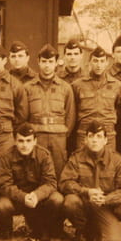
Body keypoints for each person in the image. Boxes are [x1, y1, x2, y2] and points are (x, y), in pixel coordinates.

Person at [60, 121, 121, 241]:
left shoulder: (117, 160)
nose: (94, 140)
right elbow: (65, 183)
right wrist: (86, 192)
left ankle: (96, 230)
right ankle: (83, 230)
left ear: (105, 140)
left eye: (99, 136)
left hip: (104, 206)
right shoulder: (76, 158)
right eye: (91, 136)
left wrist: (106, 199)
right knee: (70, 202)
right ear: (85, 140)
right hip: (84, 203)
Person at [0, 123, 64, 241]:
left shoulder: (44, 155)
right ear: (15, 141)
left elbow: (51, 182)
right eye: (21, 141)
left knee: (57, 199)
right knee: (3, 205)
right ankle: (5, 230)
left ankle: (46, 229)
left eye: (28, 141)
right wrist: (23, 197)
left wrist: (37, 195)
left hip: (38, 199)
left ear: (35, 141)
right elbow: (4, 185)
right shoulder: (6, 157)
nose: (25, 145)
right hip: (16, 199)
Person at [23, 44, 75, 177]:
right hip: (36, 136)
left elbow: (70, 116)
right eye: (44, 61)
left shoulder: (65, 88)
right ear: (38, 62)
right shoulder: (28, 87)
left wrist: (62, 133)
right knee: (36, 171)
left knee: (58, 171)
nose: (47, 65)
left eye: (51, 62)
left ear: (56, 63)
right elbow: (24, 116)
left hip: (58, 138)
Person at [72, 46, 121, 150]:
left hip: (108, 133)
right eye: (95, 61)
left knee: (108, 159)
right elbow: (72, 111)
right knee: (82, 159)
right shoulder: (78, 85)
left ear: (107, 63)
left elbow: (120, 110)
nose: (98, 65)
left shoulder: (116, 85)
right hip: (85, 133)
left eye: (102, 61)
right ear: (89, 62)